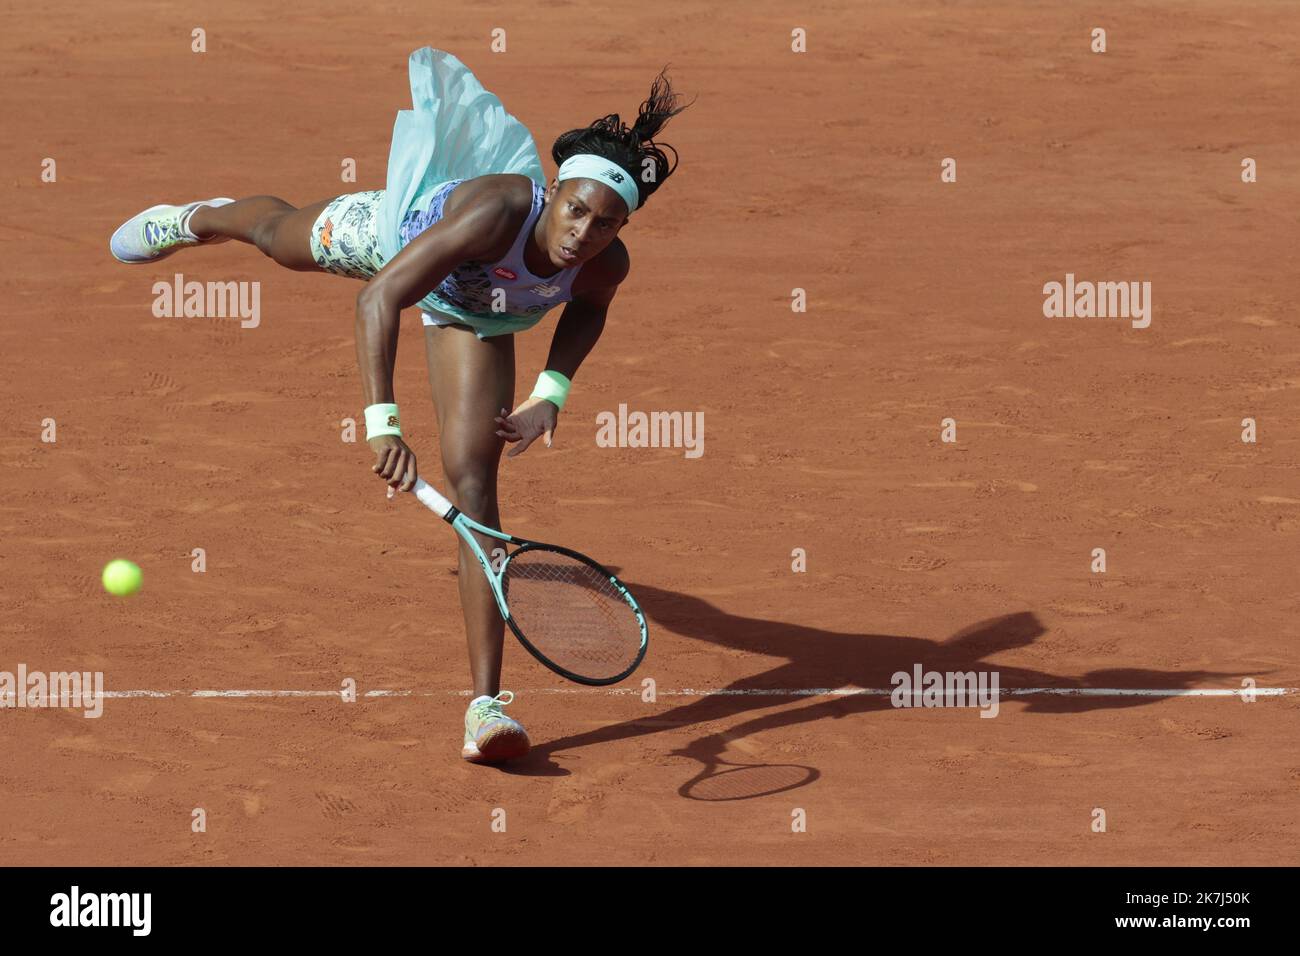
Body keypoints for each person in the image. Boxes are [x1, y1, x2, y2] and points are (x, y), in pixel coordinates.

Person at [110, 47, 690, 764]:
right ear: (554, 191)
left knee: (475, 489)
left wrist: (549, 395)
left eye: (603, 224)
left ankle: (485, 709)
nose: (582, 234)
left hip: (478, 322)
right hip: (397, 249)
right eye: (575, 210)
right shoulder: (497, 210)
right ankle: (199, 218)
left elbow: (587, 312)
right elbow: (379, 297)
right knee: (281, 239)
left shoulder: (605, 264)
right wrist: (382, 422)